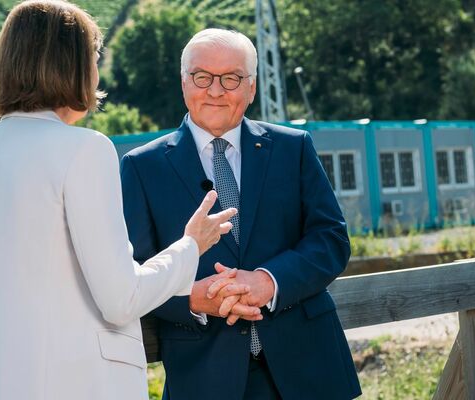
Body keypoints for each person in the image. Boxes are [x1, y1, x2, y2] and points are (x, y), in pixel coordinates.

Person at [0, 3, 240, 399]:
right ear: (71, 66)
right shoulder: (85, 149)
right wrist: (191, 245)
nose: (96, 73)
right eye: (92, 59)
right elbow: (120, 299)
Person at [121, 28, 362, 400]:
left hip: (310, 369)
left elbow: (330, 239)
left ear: (251, 88)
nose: (215, 91)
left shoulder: (292, 147)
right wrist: (191, 298)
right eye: (202, 77)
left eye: (231, 78)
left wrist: (268, 281)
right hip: (205, 377)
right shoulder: (141, 167)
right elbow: (133, 273)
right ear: (184, 83)